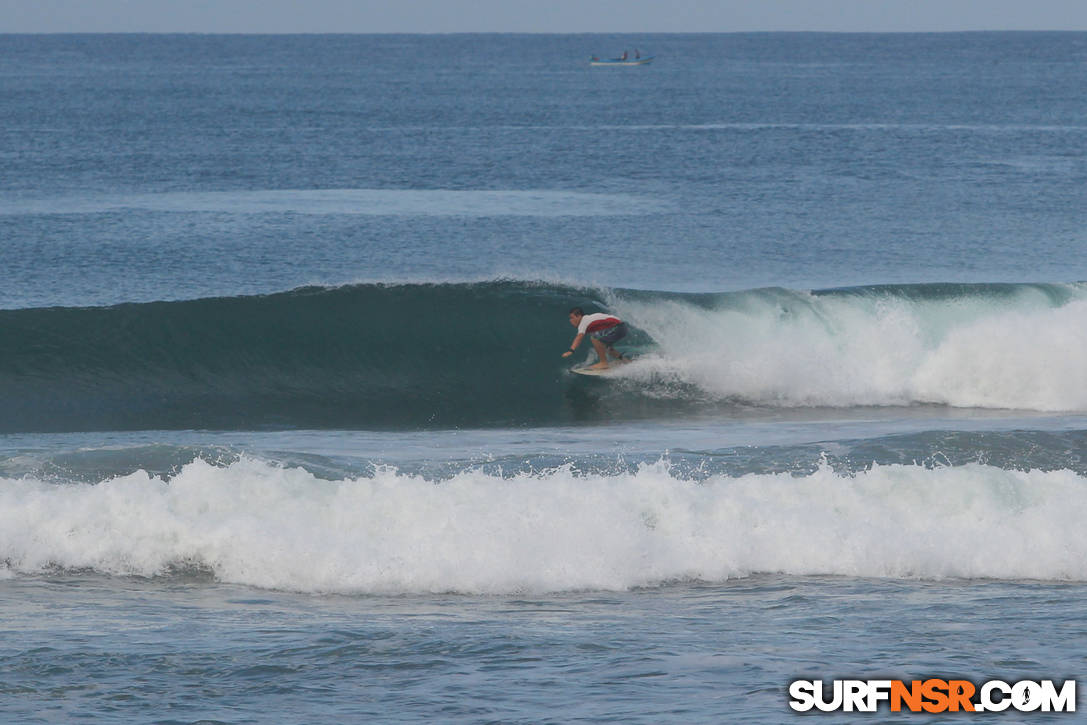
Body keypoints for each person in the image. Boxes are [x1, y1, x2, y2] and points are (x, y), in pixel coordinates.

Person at [562, 307, 629, 369]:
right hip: (620, 327)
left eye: (572, 318)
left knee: (594, 338)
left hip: (618, 327)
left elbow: (579, 337)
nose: (570, 320)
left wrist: (571, 350)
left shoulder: (583, 321)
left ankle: (603, 363)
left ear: (579, 316)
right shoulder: (589, 320)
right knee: (606, 347)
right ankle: (625, 360)